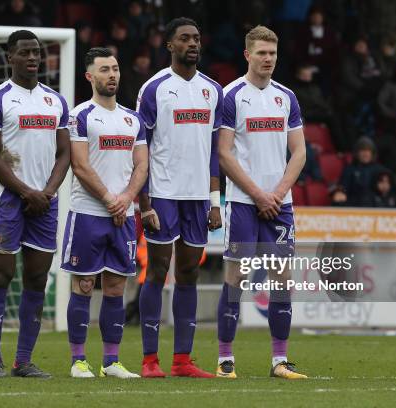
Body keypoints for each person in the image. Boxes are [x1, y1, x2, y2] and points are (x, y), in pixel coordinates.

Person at [0, 30, 71, 378]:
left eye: (37, 52)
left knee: (36, 278)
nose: (33, 58)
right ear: (10, 57)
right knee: (1, 275)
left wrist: (46, 192)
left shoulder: (56, 101)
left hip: (46, 203)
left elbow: (64, 153)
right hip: (9, 201)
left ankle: (23, 361)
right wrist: (26, 192)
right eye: (25, 52)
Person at [216, 25, 308, 379]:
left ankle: (279, 362)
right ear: (247, 55)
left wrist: (278, 193)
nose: (268, 59)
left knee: (282, 279)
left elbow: (299, 152)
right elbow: (224, 154)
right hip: (242, 202)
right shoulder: (231, 96)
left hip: (279, 205)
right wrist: (258, 194)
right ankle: (226, 360)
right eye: (261, 53)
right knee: (235, 277)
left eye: (272, 53)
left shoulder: (287, 97)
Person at [136, 17, 223, 378]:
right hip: (163, 193)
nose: (193, 43)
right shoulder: (154, 88)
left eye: (197, 38)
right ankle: (149, 360)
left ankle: (182, 360)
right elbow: (141, 147)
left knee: (188, 272)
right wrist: (144, 203)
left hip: (198, 197)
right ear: (169, 45)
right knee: (157, 271)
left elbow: (215, 150)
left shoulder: (213, 90)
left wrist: (215, 201)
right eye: (185, 38)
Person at [61, 47, 148, 379]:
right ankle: (78, 360)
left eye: (114, 68)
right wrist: (111, 199)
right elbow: (80, 165)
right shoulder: (80, 115)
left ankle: (111, 361)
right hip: (88, 213)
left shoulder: (132, 119)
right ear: (90, 76)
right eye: (104, 70)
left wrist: (126, 198)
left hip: (123, 216)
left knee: (115, 288)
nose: (112, 74)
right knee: (83, 285)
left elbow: (142, 164)